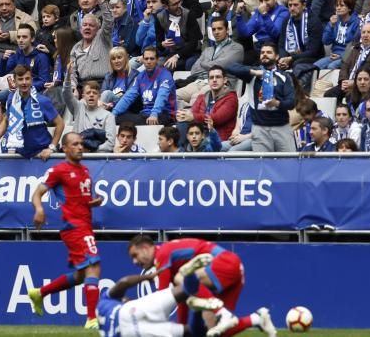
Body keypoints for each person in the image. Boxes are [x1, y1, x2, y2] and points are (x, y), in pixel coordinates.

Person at [26, 131, 102, 329]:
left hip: (85, 224)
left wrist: (94, 202)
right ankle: (92, 319)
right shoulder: (59, 170)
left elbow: (80, 201)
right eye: (75, 144)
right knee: (94, 267)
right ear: (65, 148)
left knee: (79, 276)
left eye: (81, 144)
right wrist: (39, 208)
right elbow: (37, 193)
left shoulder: (85, 171)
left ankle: (39, 293)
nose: (80, 147)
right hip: (74, 227)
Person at [128, 234, 272, 337]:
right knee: (216, 331)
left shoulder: (162, 255)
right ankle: (257, 319)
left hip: (224, 262)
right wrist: (181, 327)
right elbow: (181, 299)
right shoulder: (169, 258)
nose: (134, 262)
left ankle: (222, 312)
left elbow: (162, 297)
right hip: (234, 268)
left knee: (181, 277)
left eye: (135, 255)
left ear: (146, 248)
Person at [227, 42, 296, 152]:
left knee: (288, 163)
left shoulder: (284, 76)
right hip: (259, 128)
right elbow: (230, 67)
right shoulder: (252, 75)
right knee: (262, 165)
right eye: (262, 52)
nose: (264, 54)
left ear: (277, 56)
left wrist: (276, 103)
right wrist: (255, 72)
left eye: (269, 52)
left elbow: (292, 102)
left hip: (282, 127)